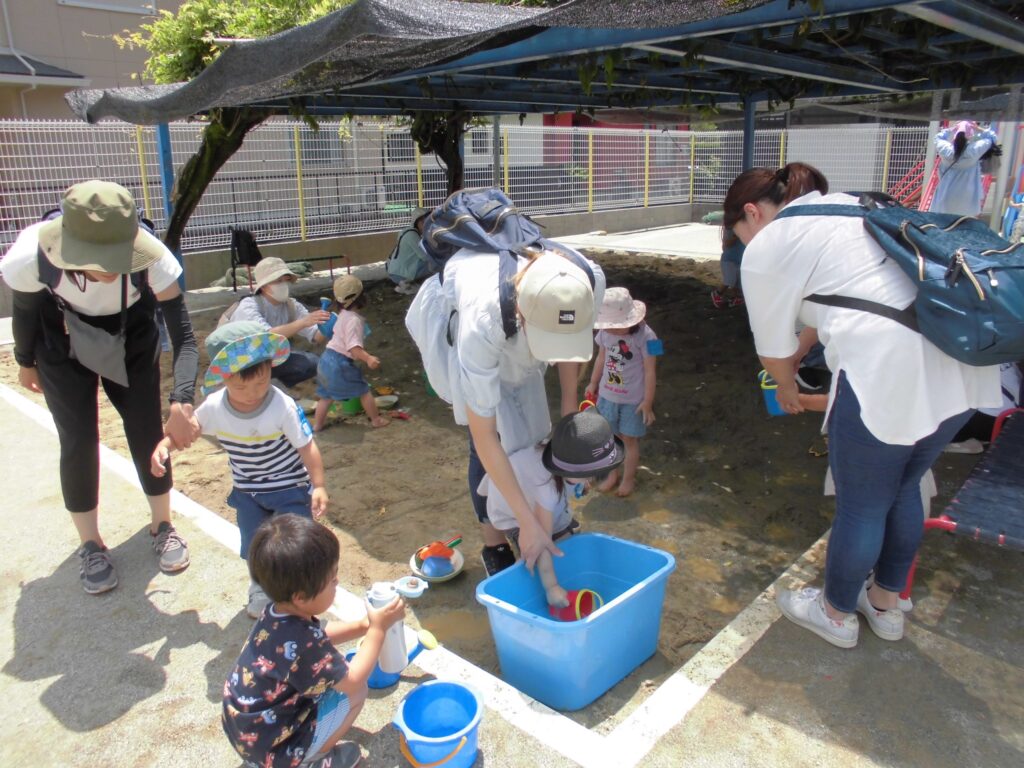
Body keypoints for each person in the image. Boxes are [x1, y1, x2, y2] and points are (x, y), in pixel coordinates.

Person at [723, 162, 1000, 648]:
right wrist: (804, 349)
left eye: (739, 234)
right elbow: (841, 300)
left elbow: (772, 351)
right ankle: (886, 604)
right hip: (961, 359)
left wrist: (786, 387)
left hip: (888, 372)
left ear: (751, 213)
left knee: (862, 505)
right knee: (904, 486)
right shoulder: (854, 208)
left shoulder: (767, 246)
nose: (744, 243)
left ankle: (834, 614)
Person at [2, 180, 201, 594]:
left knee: (146, 428)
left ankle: (163, 524)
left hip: (132, 334)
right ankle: (90, 543)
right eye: (99, 258)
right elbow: (24, 311)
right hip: (59, 337)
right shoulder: (30, 255)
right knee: (77, 438)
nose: (111, 266)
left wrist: (183, 399)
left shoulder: (153, 258)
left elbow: (183, 334)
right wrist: (25, 361)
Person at [407, 245, 605, 576]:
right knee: (488, 439)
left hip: (515, 338)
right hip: (463, 325)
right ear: (524, 316)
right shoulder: (482, 321)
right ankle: (495, 541)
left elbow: (571, 348)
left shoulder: (586, 280)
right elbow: (485, 435)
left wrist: (569, 426)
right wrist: (528, 523)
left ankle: (539, 523)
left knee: (534, 436)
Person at [151, 321, 329, 618]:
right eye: (240, 386)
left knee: (295, 542)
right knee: (254, 542)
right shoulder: (214, 406)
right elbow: (189, 431)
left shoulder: (281, 404)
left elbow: (306, 446)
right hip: (248, 490)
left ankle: (300, 588)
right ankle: (260, 586)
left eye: (260, 382)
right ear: (224, 379)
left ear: (270, 369)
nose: (251, 393)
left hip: (289, 487)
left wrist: (319, 484)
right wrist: (164, 446)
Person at [222, 514, 405, 768]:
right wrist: (377, 630)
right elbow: (353, 680)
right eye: (331, 580)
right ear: (300, 596)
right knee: (356, 694)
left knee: (329, 677)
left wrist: (363, 626)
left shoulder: (276, 613)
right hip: (273, 749)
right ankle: (311, 761)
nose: (337, 582)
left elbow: (320, 635)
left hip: (244, 729)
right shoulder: (303, 641)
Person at [477, 409, 624, 607]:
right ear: (569, 470)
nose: (590, 480)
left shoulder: (561, 451)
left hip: (527, 488)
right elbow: (541, 542)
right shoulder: (547, 488)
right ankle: (540, 589)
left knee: (562, 544)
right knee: (542, 550)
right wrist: (552, 587)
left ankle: (559, 536)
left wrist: (581, 482)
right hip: (512, 510)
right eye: (589, 475)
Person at [584, 287, 660, 497]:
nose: (612, 330)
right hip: (607, 396)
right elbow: (601, 358)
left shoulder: (648, 337)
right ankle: (612, 475)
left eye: (617, 327)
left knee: (629, 439)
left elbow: (650, 370)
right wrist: (593, 383)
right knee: (611, 438)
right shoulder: (605, 334)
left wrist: (648, 401)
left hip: (632, 401)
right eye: (608, 326)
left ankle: (628, 478)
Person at [225, 256, 330, 387]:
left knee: (312, 363)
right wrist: (303, 322)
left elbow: (315, 336)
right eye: (277, 281)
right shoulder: (249, 306)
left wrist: (329, 326)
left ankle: (275, 385)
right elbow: (266, 337)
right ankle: (256, 386)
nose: (283, 285)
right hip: (242, 362)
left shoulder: (291, 305)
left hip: (269, 358)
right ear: (263, 286)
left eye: (285, 280)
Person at [313, 275, 390, 431]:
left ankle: (317, 425)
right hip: (339, 363)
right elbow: (353, 347)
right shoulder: (354, 320)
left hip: (325, 359)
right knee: (364, 391)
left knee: (326, 397)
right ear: (361, 298)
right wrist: (368, 358)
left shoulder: (342, 315)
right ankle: (376, 420)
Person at [931, 120, 998, 217]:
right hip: (968, 199)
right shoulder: (974, 150)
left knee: (944, 225)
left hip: (945, 194)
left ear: (955, 136)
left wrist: (952, 129)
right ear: (969, 136)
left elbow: (937, 138)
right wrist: (977, 128)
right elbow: (992, 138)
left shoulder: (946, 150)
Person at [385, 207, 435, 295]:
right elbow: (424, 256)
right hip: (399, 274)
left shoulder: (407, 231)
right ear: (416, 223)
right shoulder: (412, 235)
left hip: (395, 272)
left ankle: (408, 285)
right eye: (423, 222)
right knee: (435, 264)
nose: (426, 225)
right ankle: (409, 285)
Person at [710, 229, 745, 308]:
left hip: (740, 259)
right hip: (729, 259)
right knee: (729, 280)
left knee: (738, 282)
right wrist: (737, 236)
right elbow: (725, 244)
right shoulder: (730, 229)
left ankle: (738, 298)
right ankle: (717, 294)